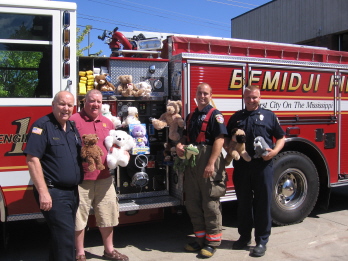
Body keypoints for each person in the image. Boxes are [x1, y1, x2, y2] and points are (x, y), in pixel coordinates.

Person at [225, 85, 285, 257]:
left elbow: (281, 137)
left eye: (255, 97)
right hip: (242, 167)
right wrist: (230, 148)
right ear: (244, 97)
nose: (252, 100)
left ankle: (261, 241)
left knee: (262, 203)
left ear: (260, 97)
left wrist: (273, 152)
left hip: (262, 166)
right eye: (249, 97)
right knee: (243, 203)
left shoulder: (269, 116)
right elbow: (228, 137)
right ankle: (244, 237)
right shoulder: (236, 117)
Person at [70, 89, 129, 261]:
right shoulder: (74, 121)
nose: (95, 104)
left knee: (108, 215)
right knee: (79, 217)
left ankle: (109, 250)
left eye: (99, 101)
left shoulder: (108, 122)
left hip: (104, 177)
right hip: (81, 179)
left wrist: (123, 154)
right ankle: (80, 252)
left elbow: (114, 146)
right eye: (92, 100)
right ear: (84, 101)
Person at [24, 91, 83, 261]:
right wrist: (43, 192)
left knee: (60, 238)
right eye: (62, 104)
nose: (66, 108)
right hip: (54, 193)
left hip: (72, 192)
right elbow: (32, 159)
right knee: (65, 241)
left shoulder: (71, 127)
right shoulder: (42, 126)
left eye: (69, 105)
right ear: (53, 105)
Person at [176, 83, 227, 258]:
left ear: (211, 95)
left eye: (206, 93)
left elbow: (220, 140)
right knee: (192, 202)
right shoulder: (191, 116)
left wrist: (211, 163)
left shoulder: (216, 115)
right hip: (192, 161)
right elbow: (184, 136)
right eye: (200, 93)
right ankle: (199, 239)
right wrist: (179, 145)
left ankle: (212, 242)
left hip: (208, 159)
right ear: (195, 95)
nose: (202, 96)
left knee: (210, 203)